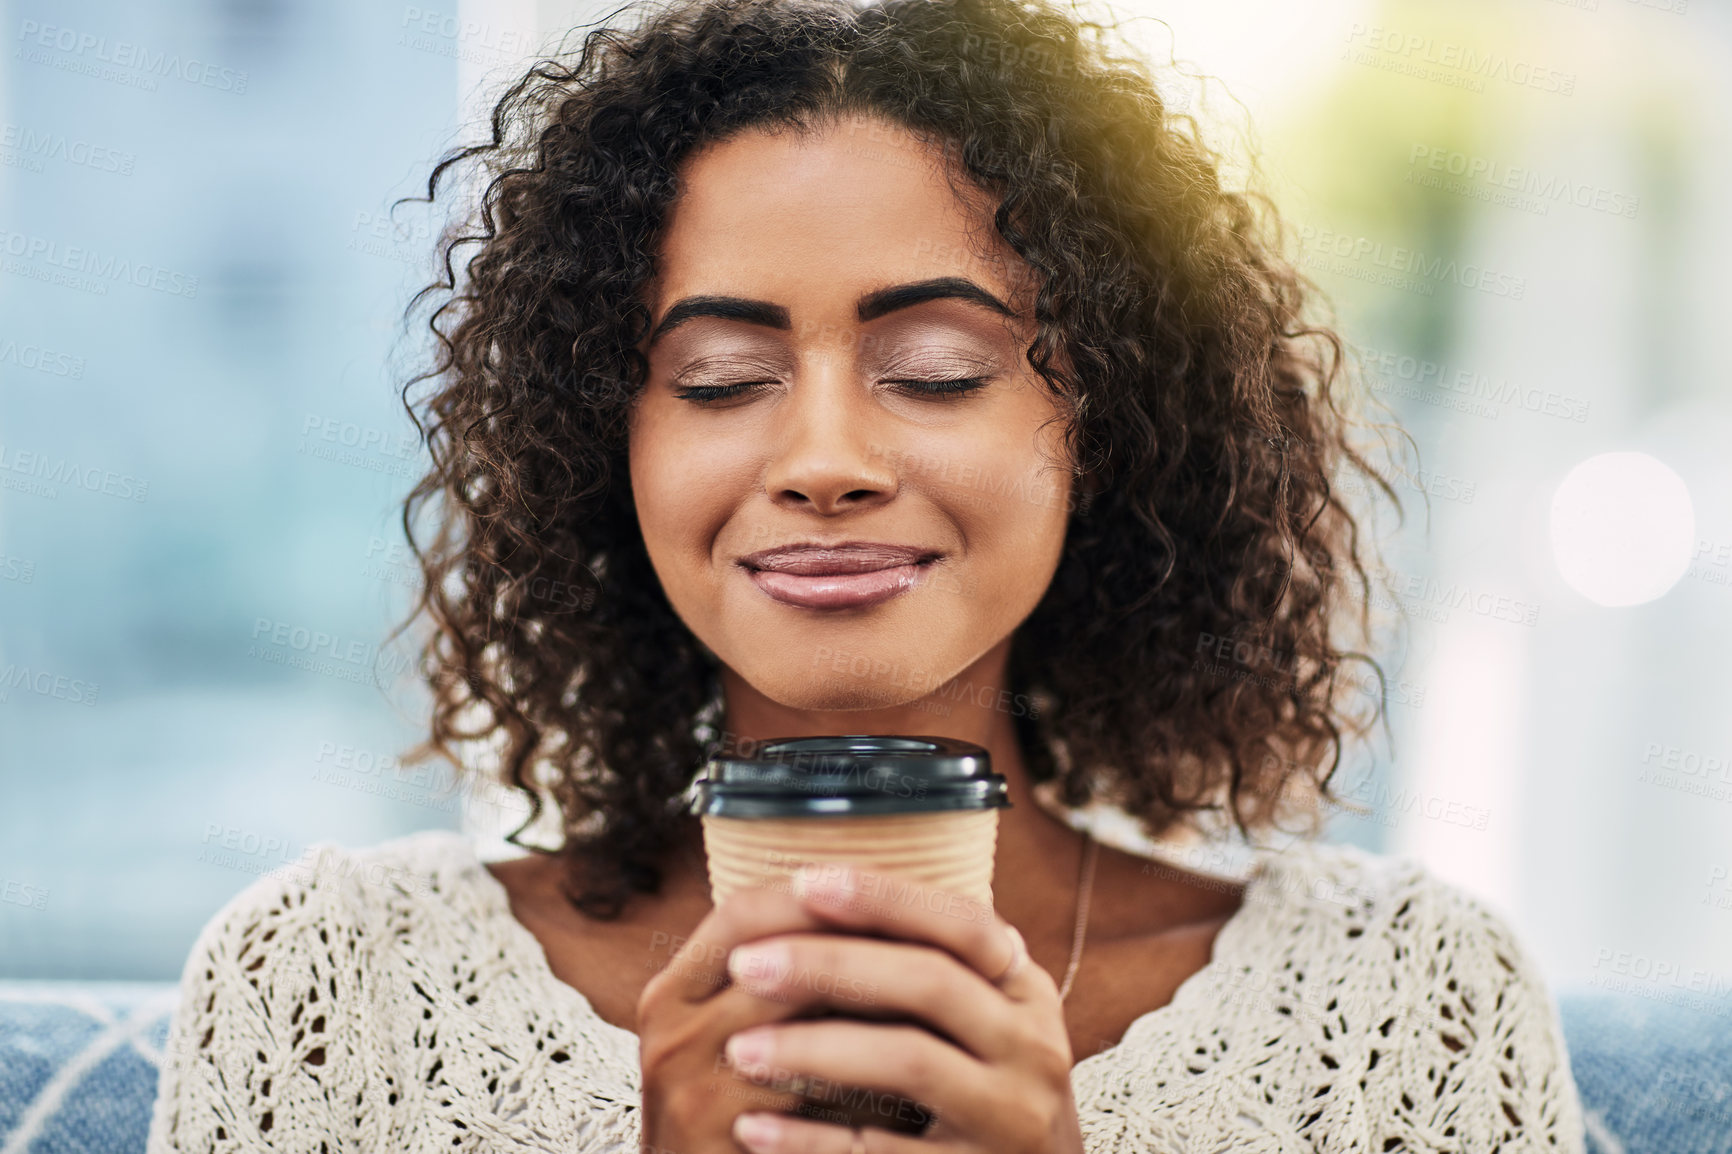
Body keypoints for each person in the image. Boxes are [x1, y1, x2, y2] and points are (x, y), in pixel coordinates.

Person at [147, 0, 1586, 1150]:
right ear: (608, 447)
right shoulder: (335, 986)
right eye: (720, 380)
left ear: (1111, 424)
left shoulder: (1407, 996)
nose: (823, 455)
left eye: (935, 370)